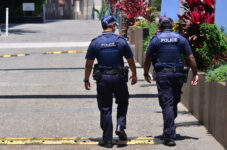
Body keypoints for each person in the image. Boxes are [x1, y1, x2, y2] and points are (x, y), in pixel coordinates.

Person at [143, 16, 199, 146]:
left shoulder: (156, 39)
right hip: (178, 75)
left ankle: (169, 137)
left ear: (160, 27)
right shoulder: (180, 39)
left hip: (164, 75)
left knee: (167, 104)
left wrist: (146, 72)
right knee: (173, 101)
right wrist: (195, 73)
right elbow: (190, 57)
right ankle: (170, 128)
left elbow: (148, 59)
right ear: (172, 25)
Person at [84, 16, 137, 148]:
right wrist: (134, 74)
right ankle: (120, 125)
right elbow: (130, 60)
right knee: (123, 101)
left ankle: (107, 140)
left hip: (103, 79)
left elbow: (89, 64)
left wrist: (86, 79)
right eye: (115, 26)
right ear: (113, 26)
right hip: (119, 78)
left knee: (105, 108)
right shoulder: (121, 41)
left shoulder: (95, 42)